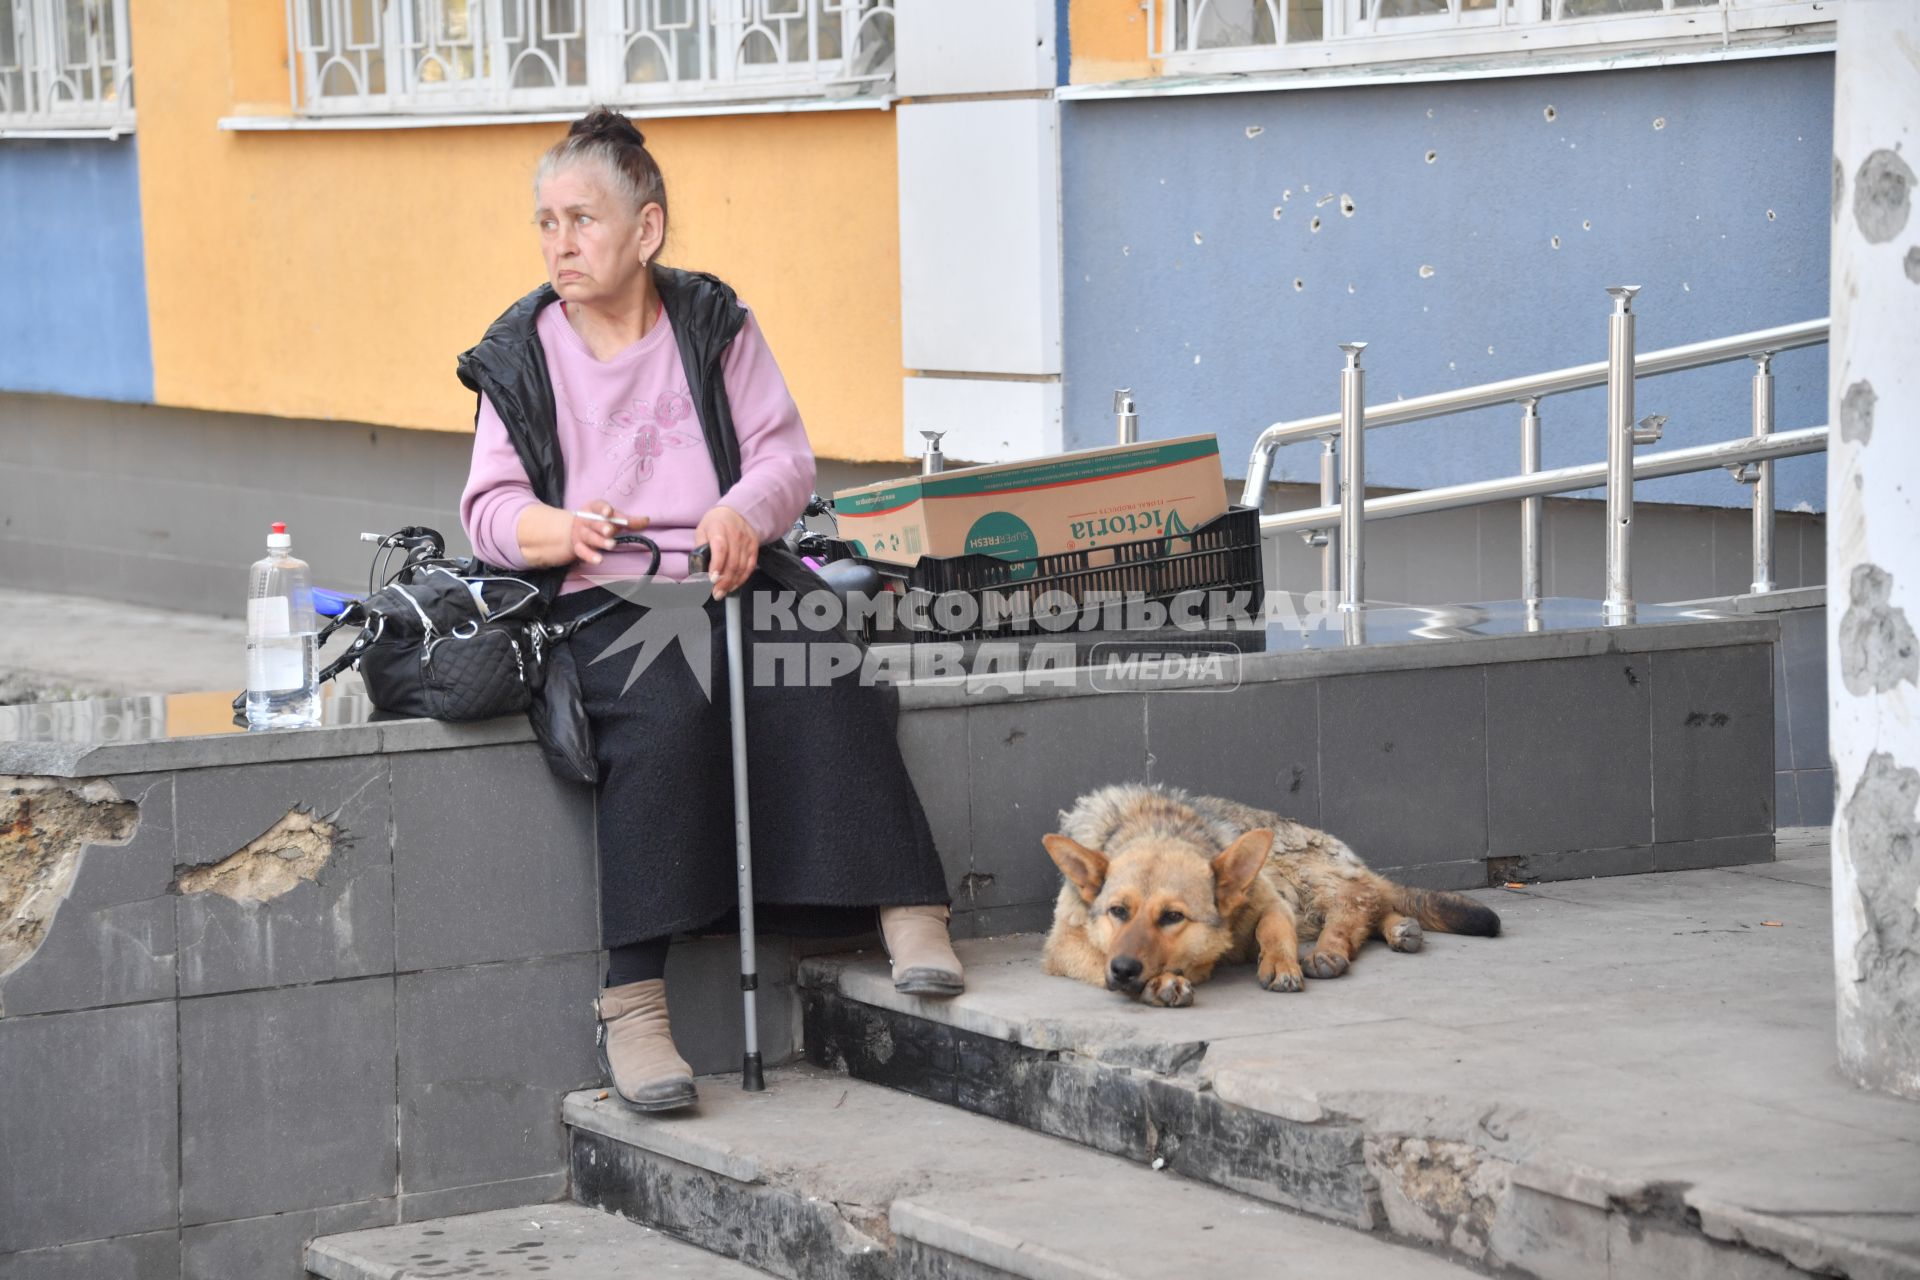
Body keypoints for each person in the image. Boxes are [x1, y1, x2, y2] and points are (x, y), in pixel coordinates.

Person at [457, 106, 962, 1114]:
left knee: (827, 665)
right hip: (606, 589)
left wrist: (739, 510)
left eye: (582, 219)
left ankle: (908, 900)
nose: (561, 241)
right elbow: (488, 511)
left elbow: (783, 454)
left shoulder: (712, 321)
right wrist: (560, 529)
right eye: (546, 222)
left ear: (645, 229)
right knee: (667, 704)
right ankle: (632, 999)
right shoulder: (518, 352)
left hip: (730, 562)